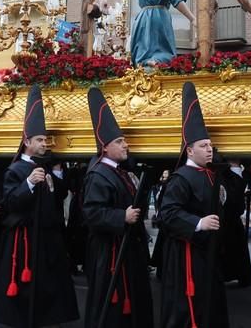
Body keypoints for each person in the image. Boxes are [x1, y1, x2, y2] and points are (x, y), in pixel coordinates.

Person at [0, 86, 79, 327]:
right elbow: (8, 203)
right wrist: (28, 183)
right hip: (25, 238)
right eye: (39, 140)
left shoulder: (48, 167)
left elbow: (58, 197)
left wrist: (58, 173)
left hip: (47, 238)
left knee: (48, 288)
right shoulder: (16, 170)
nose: (44, 144)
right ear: (27, 141)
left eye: (45, 140)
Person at [159, 82, 229, 328]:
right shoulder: (181, 178)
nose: (210, 150)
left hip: (208, 252)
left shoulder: (210, 174)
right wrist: (198, 223)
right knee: (190, 309)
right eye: (203, 146)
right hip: (187, 254)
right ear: (189, 150)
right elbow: (167, 214)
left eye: (210, 145)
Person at [82, 87, 153, 328]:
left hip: (127, 247)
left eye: (125, 140)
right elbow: (91, 213)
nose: (126, 145)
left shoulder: (120, 171)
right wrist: (121, 216)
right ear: (105, 147)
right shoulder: (99, 175)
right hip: (108, 251)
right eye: (120, 142)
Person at [219, 157, 251, 286]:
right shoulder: (226, 174)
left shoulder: (232, 174)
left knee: (237, 247)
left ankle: (240, 276)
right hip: (226, 217)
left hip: (231, 218)